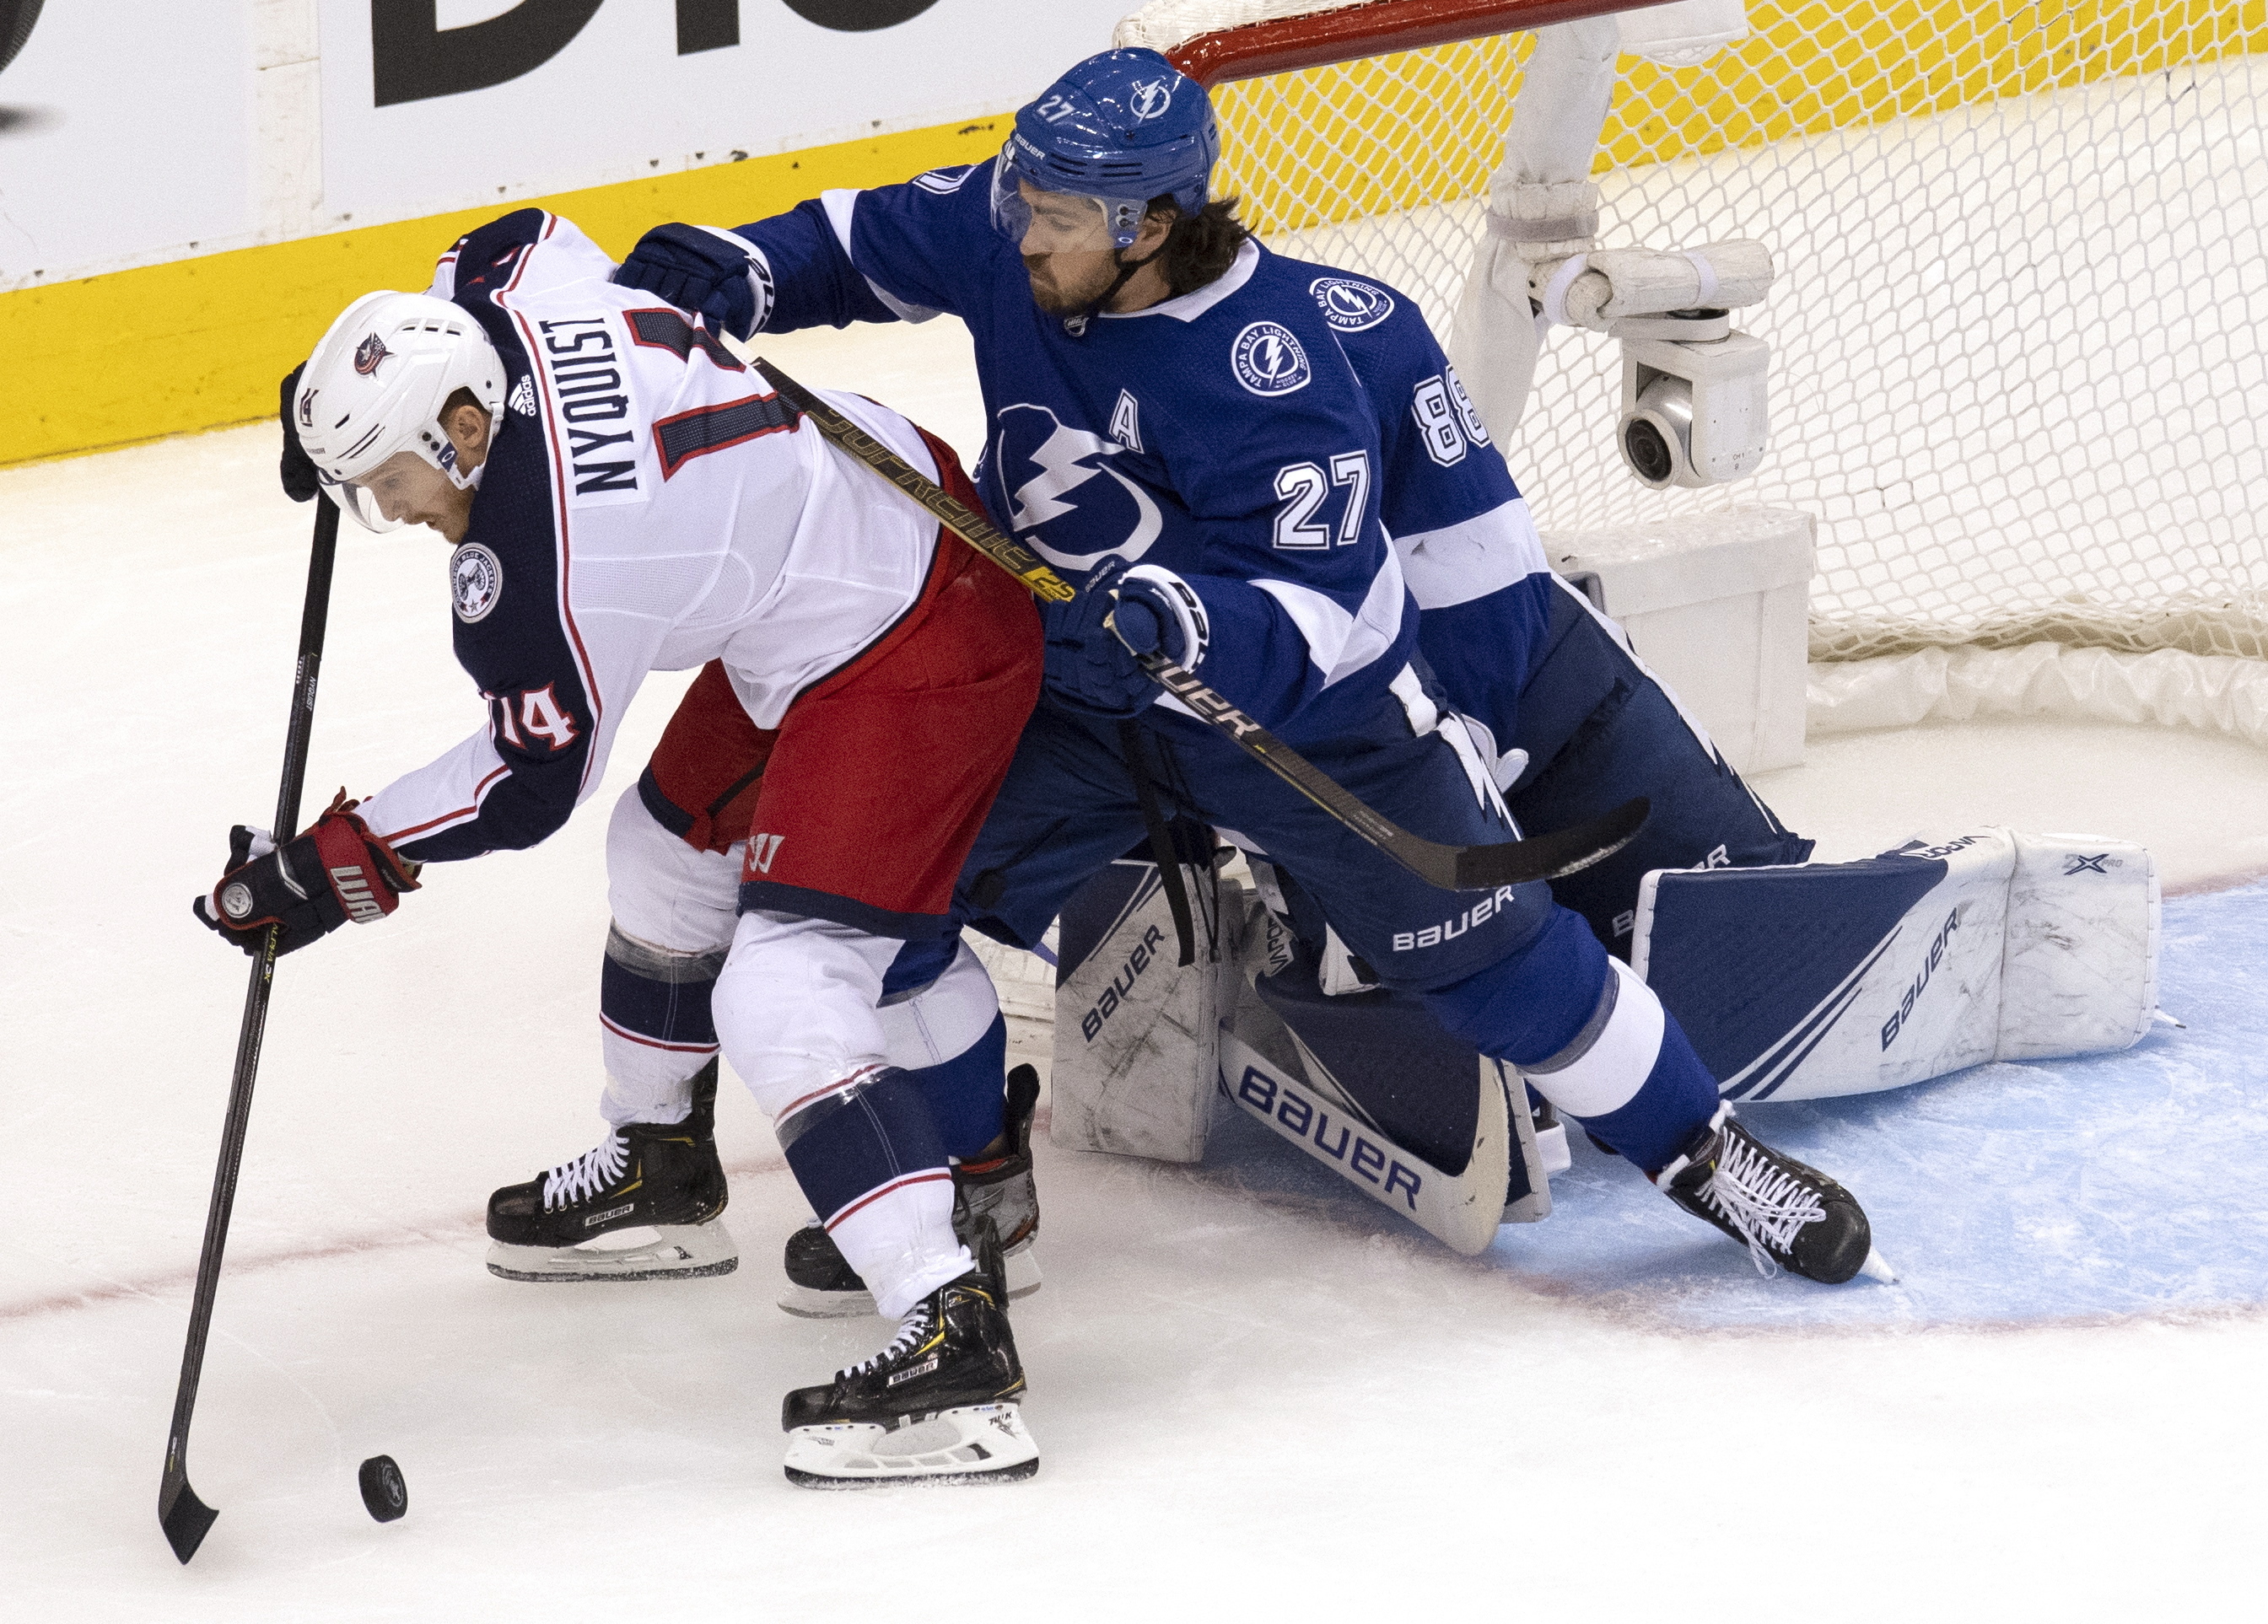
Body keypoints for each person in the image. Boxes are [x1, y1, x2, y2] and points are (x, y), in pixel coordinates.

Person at [611, 49, 1880, 1287]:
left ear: (1150, 222)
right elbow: (857, 238)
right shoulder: (1024, 222)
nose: (1021, 236)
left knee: (1498, 961)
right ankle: (978, 1174)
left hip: (1304, 721)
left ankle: (1702, 1150)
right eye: (1020, 201)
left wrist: (1193, 621)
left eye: (1054, 219)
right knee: (892, 897)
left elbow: (1324, 610)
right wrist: (741, 266)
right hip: (1077, 691)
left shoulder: (1270, 369)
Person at [193, 208, 1044, 1485]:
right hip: (838, 541)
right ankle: (662, 1159)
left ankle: (954, 1321)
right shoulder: (504, 309)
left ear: (464, 430)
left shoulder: (545, 566)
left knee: (789, 985)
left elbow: (525, 785)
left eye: (392, 482)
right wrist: (331, 394)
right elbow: (515, 239)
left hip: (920, 623)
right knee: (662, 857)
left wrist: (331, 865)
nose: (395, 509)